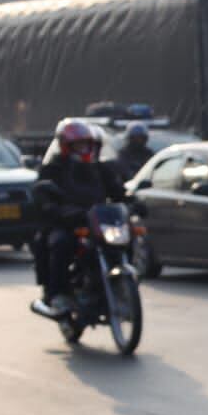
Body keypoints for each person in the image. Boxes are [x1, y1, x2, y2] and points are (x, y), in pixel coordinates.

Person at [31, 120, 128, 316]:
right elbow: (42, 190)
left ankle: (119, 288)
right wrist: (52, 206)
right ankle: (58, 294)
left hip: (98, 222)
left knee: (124, 241)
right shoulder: (55, 168)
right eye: (78, 145)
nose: (83, 149)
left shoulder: (100, 169)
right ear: (66, 146)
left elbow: (118, 192)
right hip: (68, 222)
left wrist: (132, 202)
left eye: (86, 144)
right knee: (61, 244)